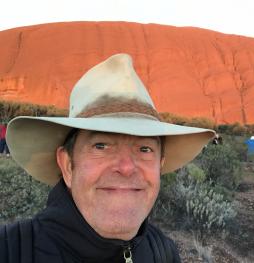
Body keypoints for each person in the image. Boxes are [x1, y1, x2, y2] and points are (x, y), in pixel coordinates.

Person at [0, 54, 215, 262]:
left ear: (160, 166)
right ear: (67, 165)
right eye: (101, 146)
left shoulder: (162, 252)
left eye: (144, 149)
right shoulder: (11, 250)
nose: (126, 167)